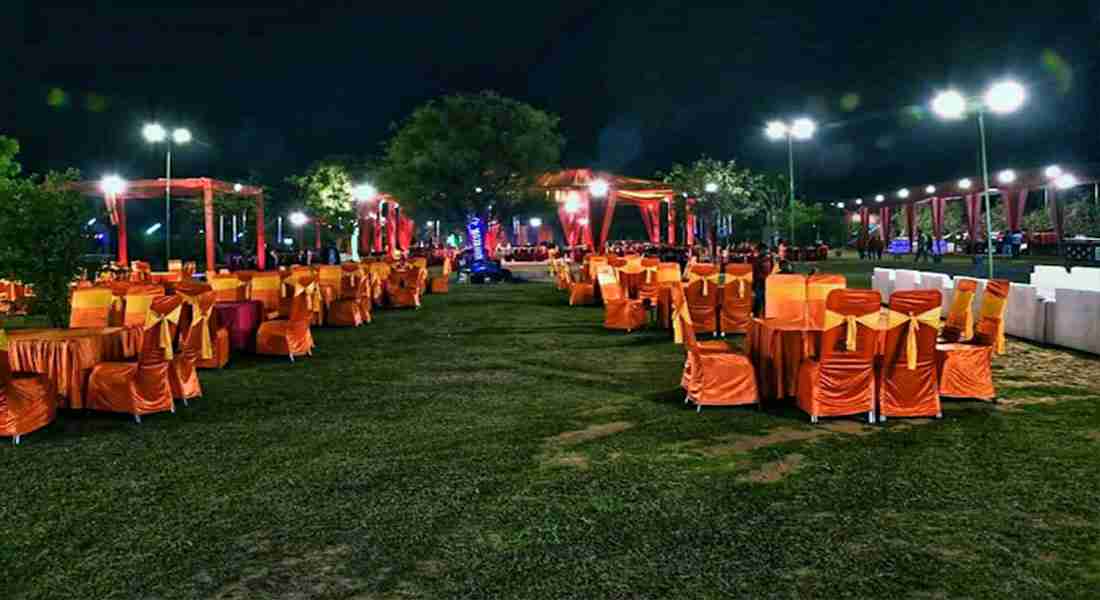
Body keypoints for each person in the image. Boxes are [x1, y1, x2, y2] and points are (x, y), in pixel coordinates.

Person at [751, 243, 774, 317]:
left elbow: (756, 273)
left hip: (761, 282)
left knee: (760, 300)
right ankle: (762, 315)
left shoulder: (759, 260)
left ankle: (759, 316)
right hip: (763, 282)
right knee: (762, 300)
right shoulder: (768, 259)